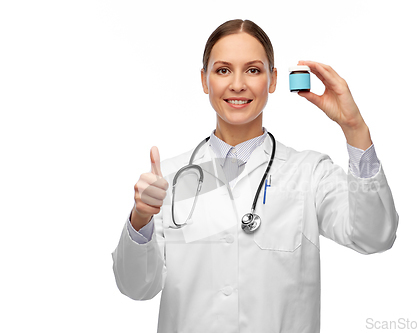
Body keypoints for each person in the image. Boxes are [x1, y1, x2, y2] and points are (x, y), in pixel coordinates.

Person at [112, 19, 398, 333]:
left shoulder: (309, 173)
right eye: (222, 70)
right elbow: (137, 287)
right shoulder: (168, 178)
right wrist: (141, 217)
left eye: (253, 70)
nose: (237, 84)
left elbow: (374, 236)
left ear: (272, 80)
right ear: (205, 80)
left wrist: (354, 127)